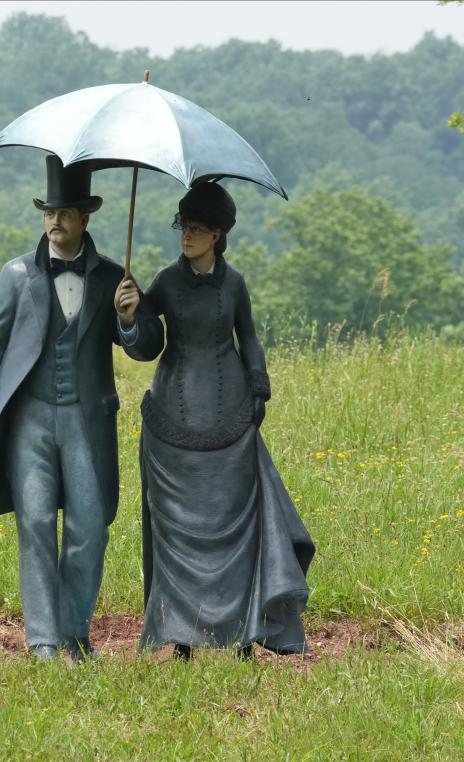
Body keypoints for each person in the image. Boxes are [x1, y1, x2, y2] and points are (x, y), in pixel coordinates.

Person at [0, 155, 163, 662]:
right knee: (34, 524)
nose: (55, 221)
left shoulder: (112, 278)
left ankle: (75, 631)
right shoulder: (16, 276)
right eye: (48, 211)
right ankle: (43, 641)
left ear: (85, 217)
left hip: (86, 421)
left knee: (89, 528)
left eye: (65, 212)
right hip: (29, 421)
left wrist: (129, 318)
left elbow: (145, 348)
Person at [134, 182, 315, 659]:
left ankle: (246, 635)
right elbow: (144, 344)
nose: (186, 236)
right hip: (171, 421)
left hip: (232, 421)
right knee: (173, 531)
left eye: (195, 229)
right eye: (183, 227)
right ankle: (181, 638)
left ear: (217, 234)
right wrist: (129, 313)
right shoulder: (164, 281)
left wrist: (259, 385)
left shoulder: (235, 284)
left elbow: (249, 338)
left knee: (242, 526)